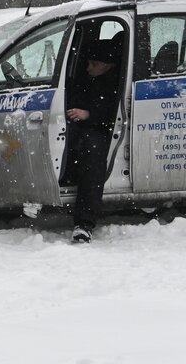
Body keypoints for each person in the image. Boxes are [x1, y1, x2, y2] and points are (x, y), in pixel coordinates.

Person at [63, 38, 123, 244]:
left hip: (101, 131)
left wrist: (89, 115)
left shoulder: (115, 82)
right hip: (83, 128)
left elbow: (114, 112)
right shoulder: (88, 78)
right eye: (88, 63)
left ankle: (84, 224)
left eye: (94, 64)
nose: (88, 68)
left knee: (91, 157)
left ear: (109, 65)